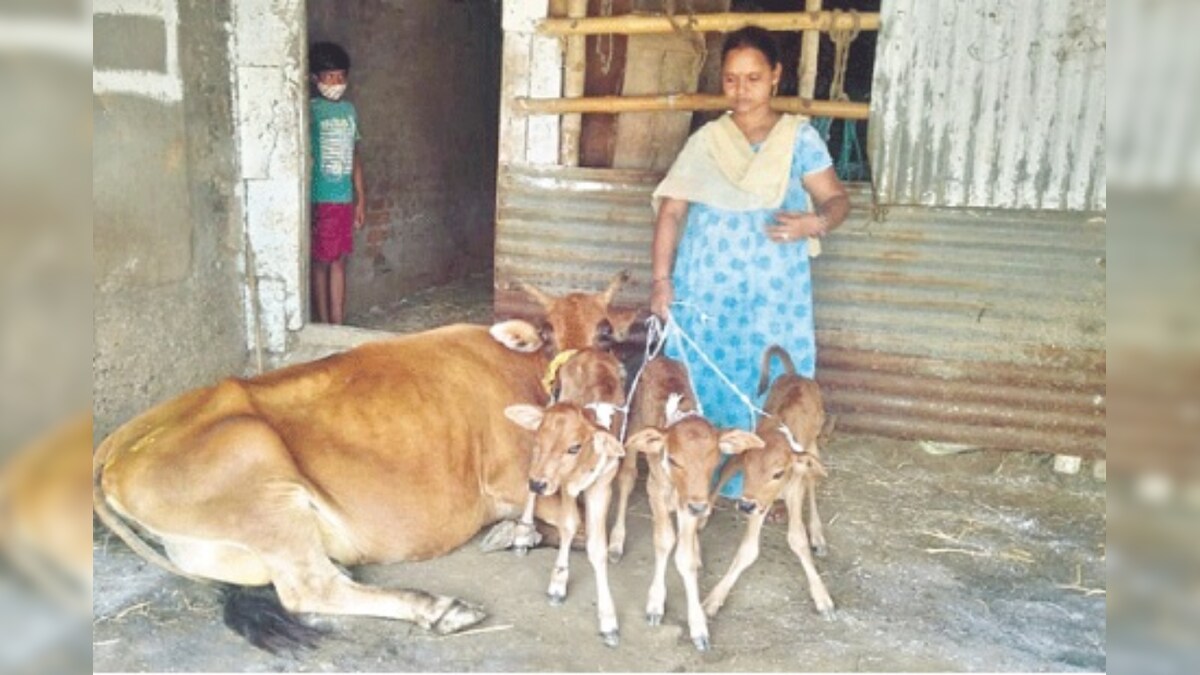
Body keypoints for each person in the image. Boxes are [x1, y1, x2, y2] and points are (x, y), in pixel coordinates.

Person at [649, 27, 850, 501]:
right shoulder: (708, 140)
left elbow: (837, 200)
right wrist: (662, 280)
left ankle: (766, 486)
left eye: (753, 78)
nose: (742, 91)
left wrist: (815, 223)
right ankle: (700, 480)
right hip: (706, 286)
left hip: (773, 289)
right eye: (732, 79)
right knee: (704, 376)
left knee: (773, 384)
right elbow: (673, 211)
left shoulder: (798, 140)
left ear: (776, 76)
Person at [309, 41, 365, 325]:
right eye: (330, 77)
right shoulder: (311, 111)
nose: (337, 83)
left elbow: (355, 157)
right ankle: (322, 322)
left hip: (343, 200)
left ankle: (338, 323)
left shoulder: (349, 111)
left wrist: (360, 200)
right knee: (321, 262)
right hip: (321, 199)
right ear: (315, 79)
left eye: (341, 77)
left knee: (339, 260)